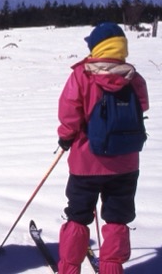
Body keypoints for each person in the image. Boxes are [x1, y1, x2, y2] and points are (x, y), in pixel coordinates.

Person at [56, 23, 150, 274]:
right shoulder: (133, 78)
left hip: (86, 164)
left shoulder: (82, 75)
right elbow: (142, 107)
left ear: (97, 48)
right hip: (125, 164)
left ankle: (69, 269)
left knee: (78, 216)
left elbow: (69, 113)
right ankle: (111, 268)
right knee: (117, 218)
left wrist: (65, 138)